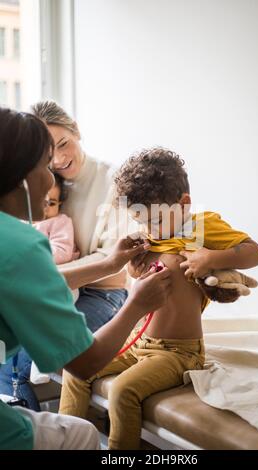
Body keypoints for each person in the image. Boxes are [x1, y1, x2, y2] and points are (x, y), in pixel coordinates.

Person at [59, 147, 258, 450]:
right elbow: (140, 279)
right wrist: (133, 265)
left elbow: (255, 252)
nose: (145, 229)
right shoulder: (151, 235)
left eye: (152, 221)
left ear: (183, 204)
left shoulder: (199, 228)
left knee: (123, 391)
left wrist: (210, 258)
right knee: (75, 370)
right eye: (138, 220)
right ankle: (67, 443)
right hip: (137, 342)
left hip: (177, 353)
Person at [0, 110, 171, 450]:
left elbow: (29, 283)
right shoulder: (22, 244)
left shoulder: (110, 183)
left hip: (103, 294)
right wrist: (138, 303)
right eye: (44, 166)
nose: (52, 181)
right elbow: (84, 363)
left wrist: (110, 263)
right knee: (82, 434)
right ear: (20, 177)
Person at [0, 100, 133, 409]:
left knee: (29, 348)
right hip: (57, 285)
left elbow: (113, 260)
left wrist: (43, 274)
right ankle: (23, 415)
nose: (58, 160)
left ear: (78, 132)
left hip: (101, 292)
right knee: (14, 346)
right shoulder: (37, 183)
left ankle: (23, 415)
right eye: (48, 155)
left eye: (64, 144)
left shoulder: (115, 182)